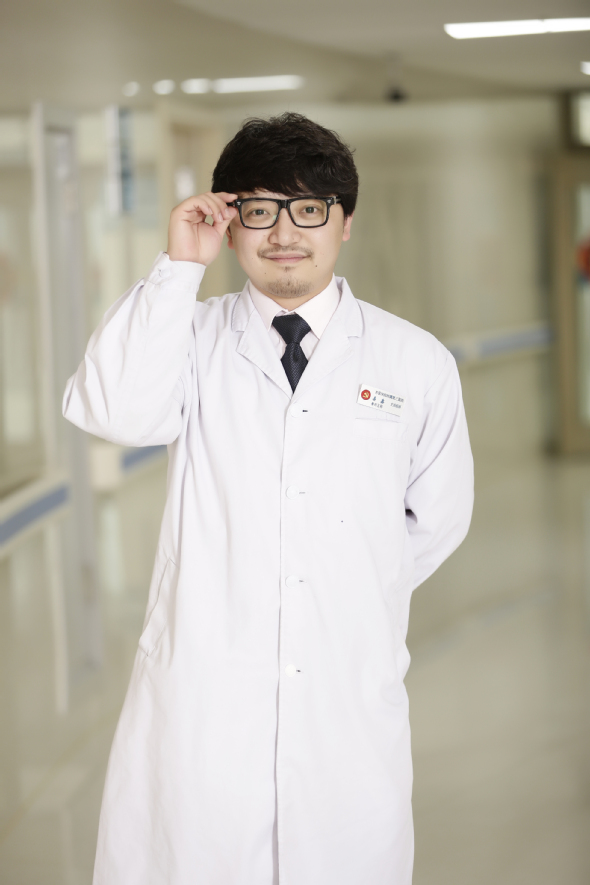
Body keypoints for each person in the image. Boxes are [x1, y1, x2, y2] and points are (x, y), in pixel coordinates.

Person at [63, 112, 474, 885]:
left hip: (346, 703)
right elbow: (114, 413)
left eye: (309, 208)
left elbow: (440, 517)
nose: (285, 233)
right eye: (259, 209)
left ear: (345, 222)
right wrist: (177, 267)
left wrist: (337, 586)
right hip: (203, 710)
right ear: (229, 222)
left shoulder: (414, 361)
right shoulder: (188, 334)